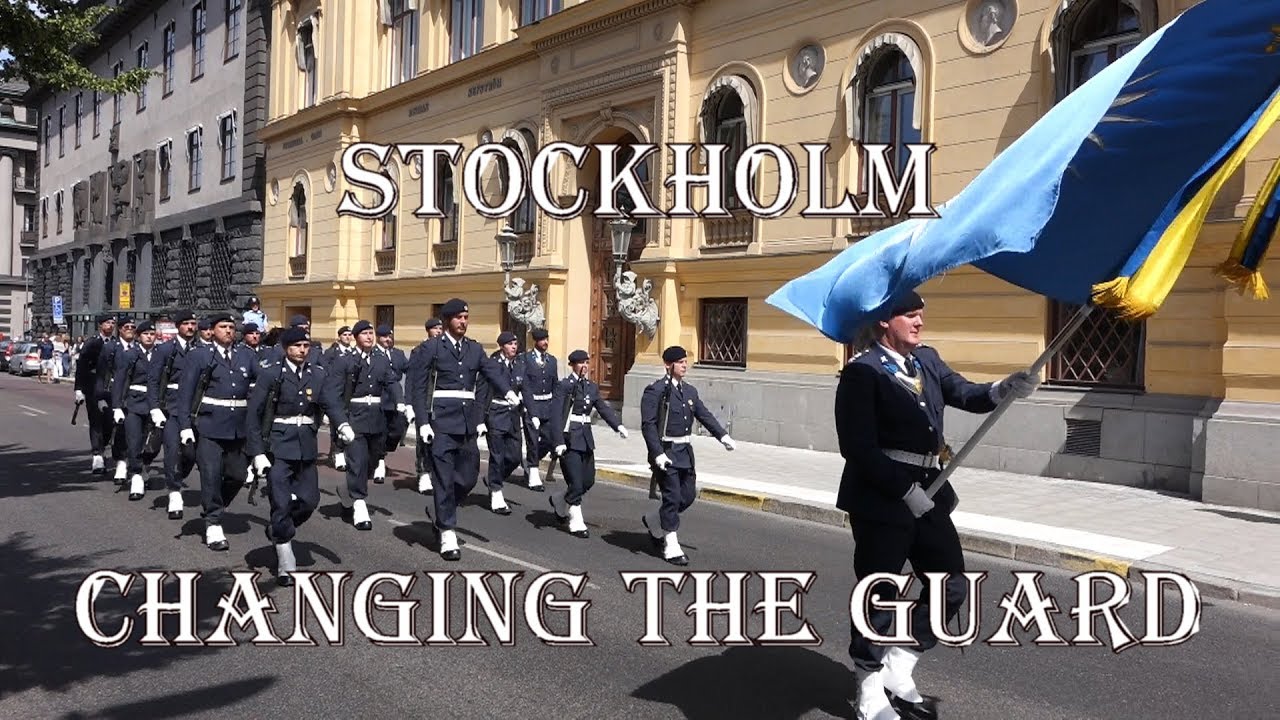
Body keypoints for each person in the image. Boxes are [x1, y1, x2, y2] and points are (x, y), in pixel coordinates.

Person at [835, 290, 1038, 720]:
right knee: (879, 591)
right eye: (910, 315)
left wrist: (1003, 388)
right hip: (882, 497)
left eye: (921, 315)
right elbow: (857, 447)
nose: (919, 322)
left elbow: (964, 393)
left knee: (951, 585)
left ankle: (899, 663)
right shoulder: (862, 372)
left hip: (930, 492)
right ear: (884, 321)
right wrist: (903, 489)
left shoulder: (926, 359)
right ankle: (868, 686)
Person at [408, 298, 516, 560]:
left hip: (466, 423)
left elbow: (492, 371)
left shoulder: (474, 349)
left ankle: (442, 510)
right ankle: (447, 532)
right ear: (447, 320)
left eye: (466, 318)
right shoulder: (431, 348)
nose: (463, 322)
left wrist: (508, 391)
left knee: (468, 478)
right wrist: (423, 422)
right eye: (459, 318)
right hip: (441, 423)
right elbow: (418, 387)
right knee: (444, 479)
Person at [246, 326, 349, 586]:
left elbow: (330, 402)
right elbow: (254, 415)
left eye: (306, 346)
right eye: (297, 346)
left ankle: (278, 528)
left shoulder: (318, 374)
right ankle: (285, 559)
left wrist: (342, 424)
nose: (303, 350)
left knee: (310, 500)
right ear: (285, 348)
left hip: (306, 446)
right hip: (278, 447)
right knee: (281, 503)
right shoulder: (272, 374)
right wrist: (257, 453)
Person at [639, 345, 735, 566]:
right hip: (666, 452)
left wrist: (722, 436)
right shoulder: (656, 391)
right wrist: (657, 453)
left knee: (688, 496)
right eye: (680, 362)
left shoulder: (689, 391)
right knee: (672, 497)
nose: (685, 365)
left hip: (685, 453)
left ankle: (655, 520)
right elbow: (648, 425)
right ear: (668, 365)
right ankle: (671, 546)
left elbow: (704, 415)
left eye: (685, 361)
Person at [176, 312, 260, 551]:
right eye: (223, 326)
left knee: (238, 475)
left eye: (231, 327)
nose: (228, 331)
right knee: (211, 475)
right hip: (209, 426)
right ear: (212, 330)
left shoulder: (246, 355)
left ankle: (216, 506)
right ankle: (213, 522)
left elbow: (261, 382)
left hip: (238, 427)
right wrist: (185, 426)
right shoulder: (200, 356)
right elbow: (186, 393)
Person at [324, 320, 409, 531]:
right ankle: (360, 505)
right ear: (356, 337)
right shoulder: (345, 361)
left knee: (372, 462)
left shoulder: (381, 360)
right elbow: (332, 394)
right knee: (358, 461)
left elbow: (392, 382)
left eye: (371, 333)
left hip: (377, 418)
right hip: (355, 417)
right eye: (364, 333)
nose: (369, 337)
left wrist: (400, 402)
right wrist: (340, 422)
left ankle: (348, 491)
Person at [548, 349, 627, 538]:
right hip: (569, 439)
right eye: (580, 363)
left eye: (586, 362)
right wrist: (558, 441)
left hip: (585, 438)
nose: (584, 366)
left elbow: (602, 408)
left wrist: (617, 426)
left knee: (588, 480)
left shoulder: (591, 387)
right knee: (576, 482)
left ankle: (561, 500)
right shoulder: (564, 386)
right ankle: (576, 521)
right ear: (572, 365)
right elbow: (556, 415)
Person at [150, 310, 200, 519]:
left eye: (193, 324)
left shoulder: (201, 350)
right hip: (171, 407)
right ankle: (174, 491)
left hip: (194, 408)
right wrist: (155, 408)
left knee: (190, 454)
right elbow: (154, 380)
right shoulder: (165, 349)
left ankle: (178, 475)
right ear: (178, 326)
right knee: (172, 450)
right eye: (186, 323)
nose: (190, 327)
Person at [111, 320, 164, 501]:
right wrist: (117, 406)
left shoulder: (160, 355)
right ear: (138, 336)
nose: (149, 337)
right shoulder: (130, 355)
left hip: (156, 404)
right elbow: (120, 380)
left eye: (152, 334)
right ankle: (136, 476)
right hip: (134, 403)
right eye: (145, 334)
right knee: (134, 441)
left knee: (154, 443)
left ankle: (145, 465)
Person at [477, 331, 526, 514]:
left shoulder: (519, 364)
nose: (514, 347)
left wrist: (532, 413)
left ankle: (493, 479)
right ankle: (496, 492)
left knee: (515, 457)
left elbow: (525, 389)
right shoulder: (492, 365)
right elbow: (481, 393)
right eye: (510, 344)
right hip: (496, 414)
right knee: (497, 456)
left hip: (513, 416)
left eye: (515, 344)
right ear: (501, 346)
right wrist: (480, 420)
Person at [74, 313, 118, 475]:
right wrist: (79, 389)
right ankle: (97, 454)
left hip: (112, 389)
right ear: (100, 325)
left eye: (112, 323)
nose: (110, 325)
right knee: (96, 420)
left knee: (110, 422)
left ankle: (102, 446)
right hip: (93, 387)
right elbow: (82, 366)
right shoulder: (92, 343)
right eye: (107, 323)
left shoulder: (116, 343)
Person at [409, 317, 444, 494]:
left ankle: (437, 473)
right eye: (435, 328)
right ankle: (423, 472)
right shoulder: (419, 351)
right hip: (424, 402)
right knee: (424, 440)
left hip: (441, 403)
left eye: (440, 328)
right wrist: (409, 404)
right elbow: (412, 378)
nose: (438, 331)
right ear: (428, 330)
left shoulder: (445, 349)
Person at [372, 324, 410, 484]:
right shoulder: (372, 353)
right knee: (380, 432)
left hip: (395, 400)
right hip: (379, 400)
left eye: (390, 336)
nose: (388, 339)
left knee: (398, 429)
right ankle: (379, 462)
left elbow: (410, 369)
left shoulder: (398, 354)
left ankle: (380, 453)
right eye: (385, 336)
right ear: (378, 337)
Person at [520, 327, 557, 491]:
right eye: (542, 340)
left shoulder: (552, 361)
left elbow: (555, 384)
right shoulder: (525, 359)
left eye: (547, 339)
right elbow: (524, 385)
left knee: (549, 440)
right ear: (535, 341)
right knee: (532, 441)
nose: (545, 342)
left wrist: (556, 407)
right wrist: (528, 408)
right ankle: (533, 475)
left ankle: (530, 461)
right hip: (532, 405)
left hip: (547, 406)